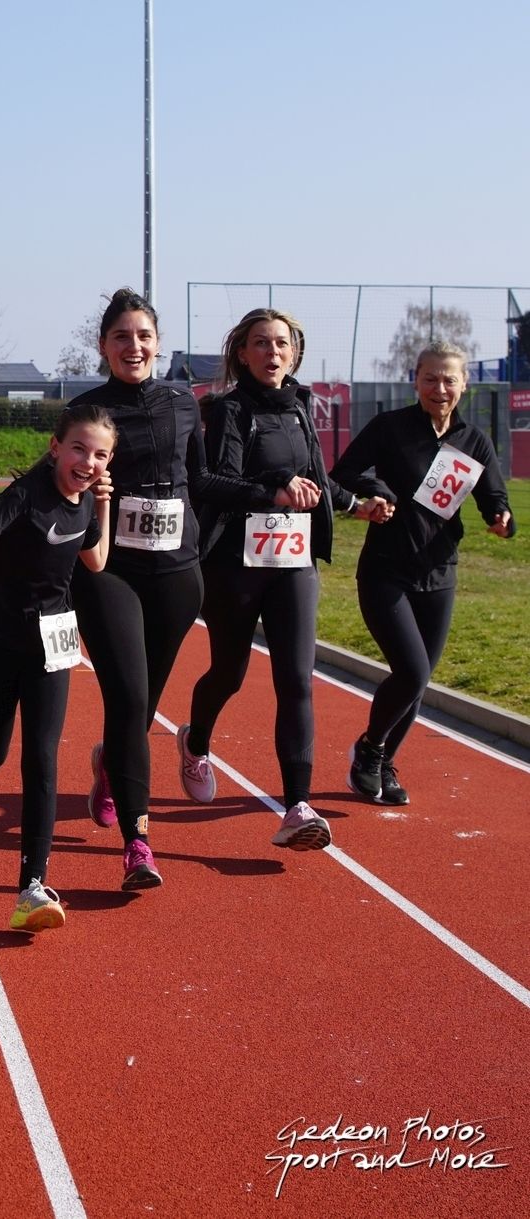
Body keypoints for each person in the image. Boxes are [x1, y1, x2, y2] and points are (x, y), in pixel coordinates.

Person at [181, 310, 385, 849]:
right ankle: (195, 742)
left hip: (293, 560)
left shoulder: (299, 407)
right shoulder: (229, 411)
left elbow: (314, 477)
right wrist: (272, 490)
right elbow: (212, 482)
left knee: (296, 679)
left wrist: (354, 505)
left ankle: (297, 805)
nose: (272, 353)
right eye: (260, 344)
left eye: (281, 344)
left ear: (294, 352)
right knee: (228, 673)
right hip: (236, 562)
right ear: (241, 353)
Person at [0, 404, 116, 931]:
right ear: (55, 447)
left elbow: (98, 560)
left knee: (41, 756)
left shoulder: (86, 502)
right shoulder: (26, 496)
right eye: (79, 448)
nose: (88, 461)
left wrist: (104, 507)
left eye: (101, 454)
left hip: (55, 641)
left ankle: (31, 889)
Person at [330, 340, 513, 805]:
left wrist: (500, 519)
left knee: (419, 680)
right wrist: (375, 491)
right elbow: (345, 471)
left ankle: (382, 760)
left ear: (464, 385)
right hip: (385, 571)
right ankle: (371, 749)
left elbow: (495, 498)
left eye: (450, 379)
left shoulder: (474, 441)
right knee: (410, 672)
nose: (440, 387)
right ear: (415, 380)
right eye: (430, 378)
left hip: (439, 574)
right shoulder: (391, 427)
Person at [69, 288, 207, 891]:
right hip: (111, 570)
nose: (134, 346)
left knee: (144, 701)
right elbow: (63, 484)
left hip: (178, 571)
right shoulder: (88, 408)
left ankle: (109, 765)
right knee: (127, 698)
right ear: (103, 346)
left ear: (158, 342)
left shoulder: (183, 401)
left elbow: (202, 478)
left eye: (144, 336)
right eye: (121, 336)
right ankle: (139, 841)